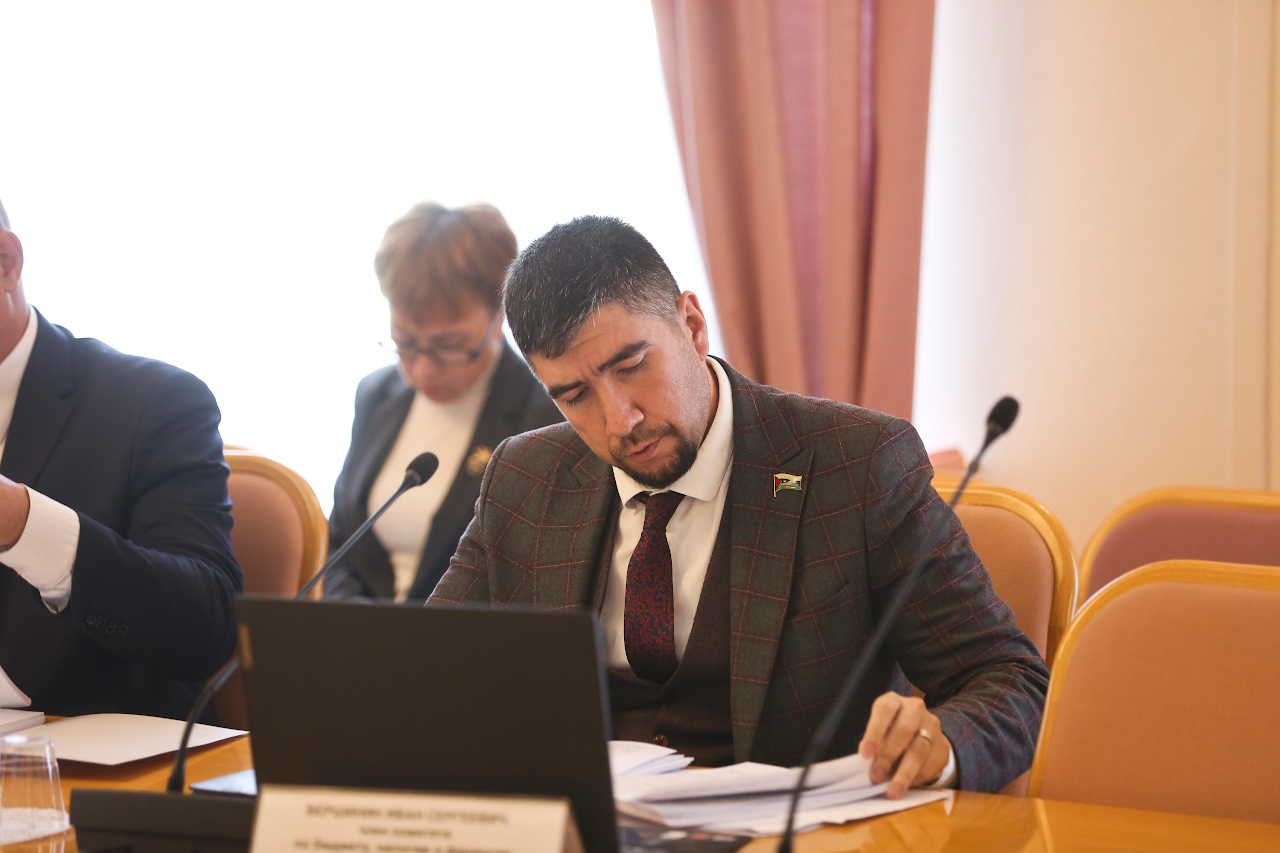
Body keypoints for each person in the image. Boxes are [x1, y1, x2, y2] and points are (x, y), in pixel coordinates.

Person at [430, 216, 1050, 796]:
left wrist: (941, 746)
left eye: (633, 365)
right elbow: (431, 673)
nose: (620, 420)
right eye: (574, 396)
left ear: (692, 325)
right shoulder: (524, 478)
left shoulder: (857, 464)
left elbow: (1009, 679)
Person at [0, 198, 241, 719]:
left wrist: (23, 522)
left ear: (6, 264)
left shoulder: (153, 402)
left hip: (89, 754)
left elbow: (206, 628)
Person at [325, 203, 562, 602]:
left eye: (448, 345)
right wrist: (356, 621)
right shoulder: (375, 394)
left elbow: (537, 581)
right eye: (404, 342)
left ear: (500, 315)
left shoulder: (544, 414)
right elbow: (338, 545)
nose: (423, 370)